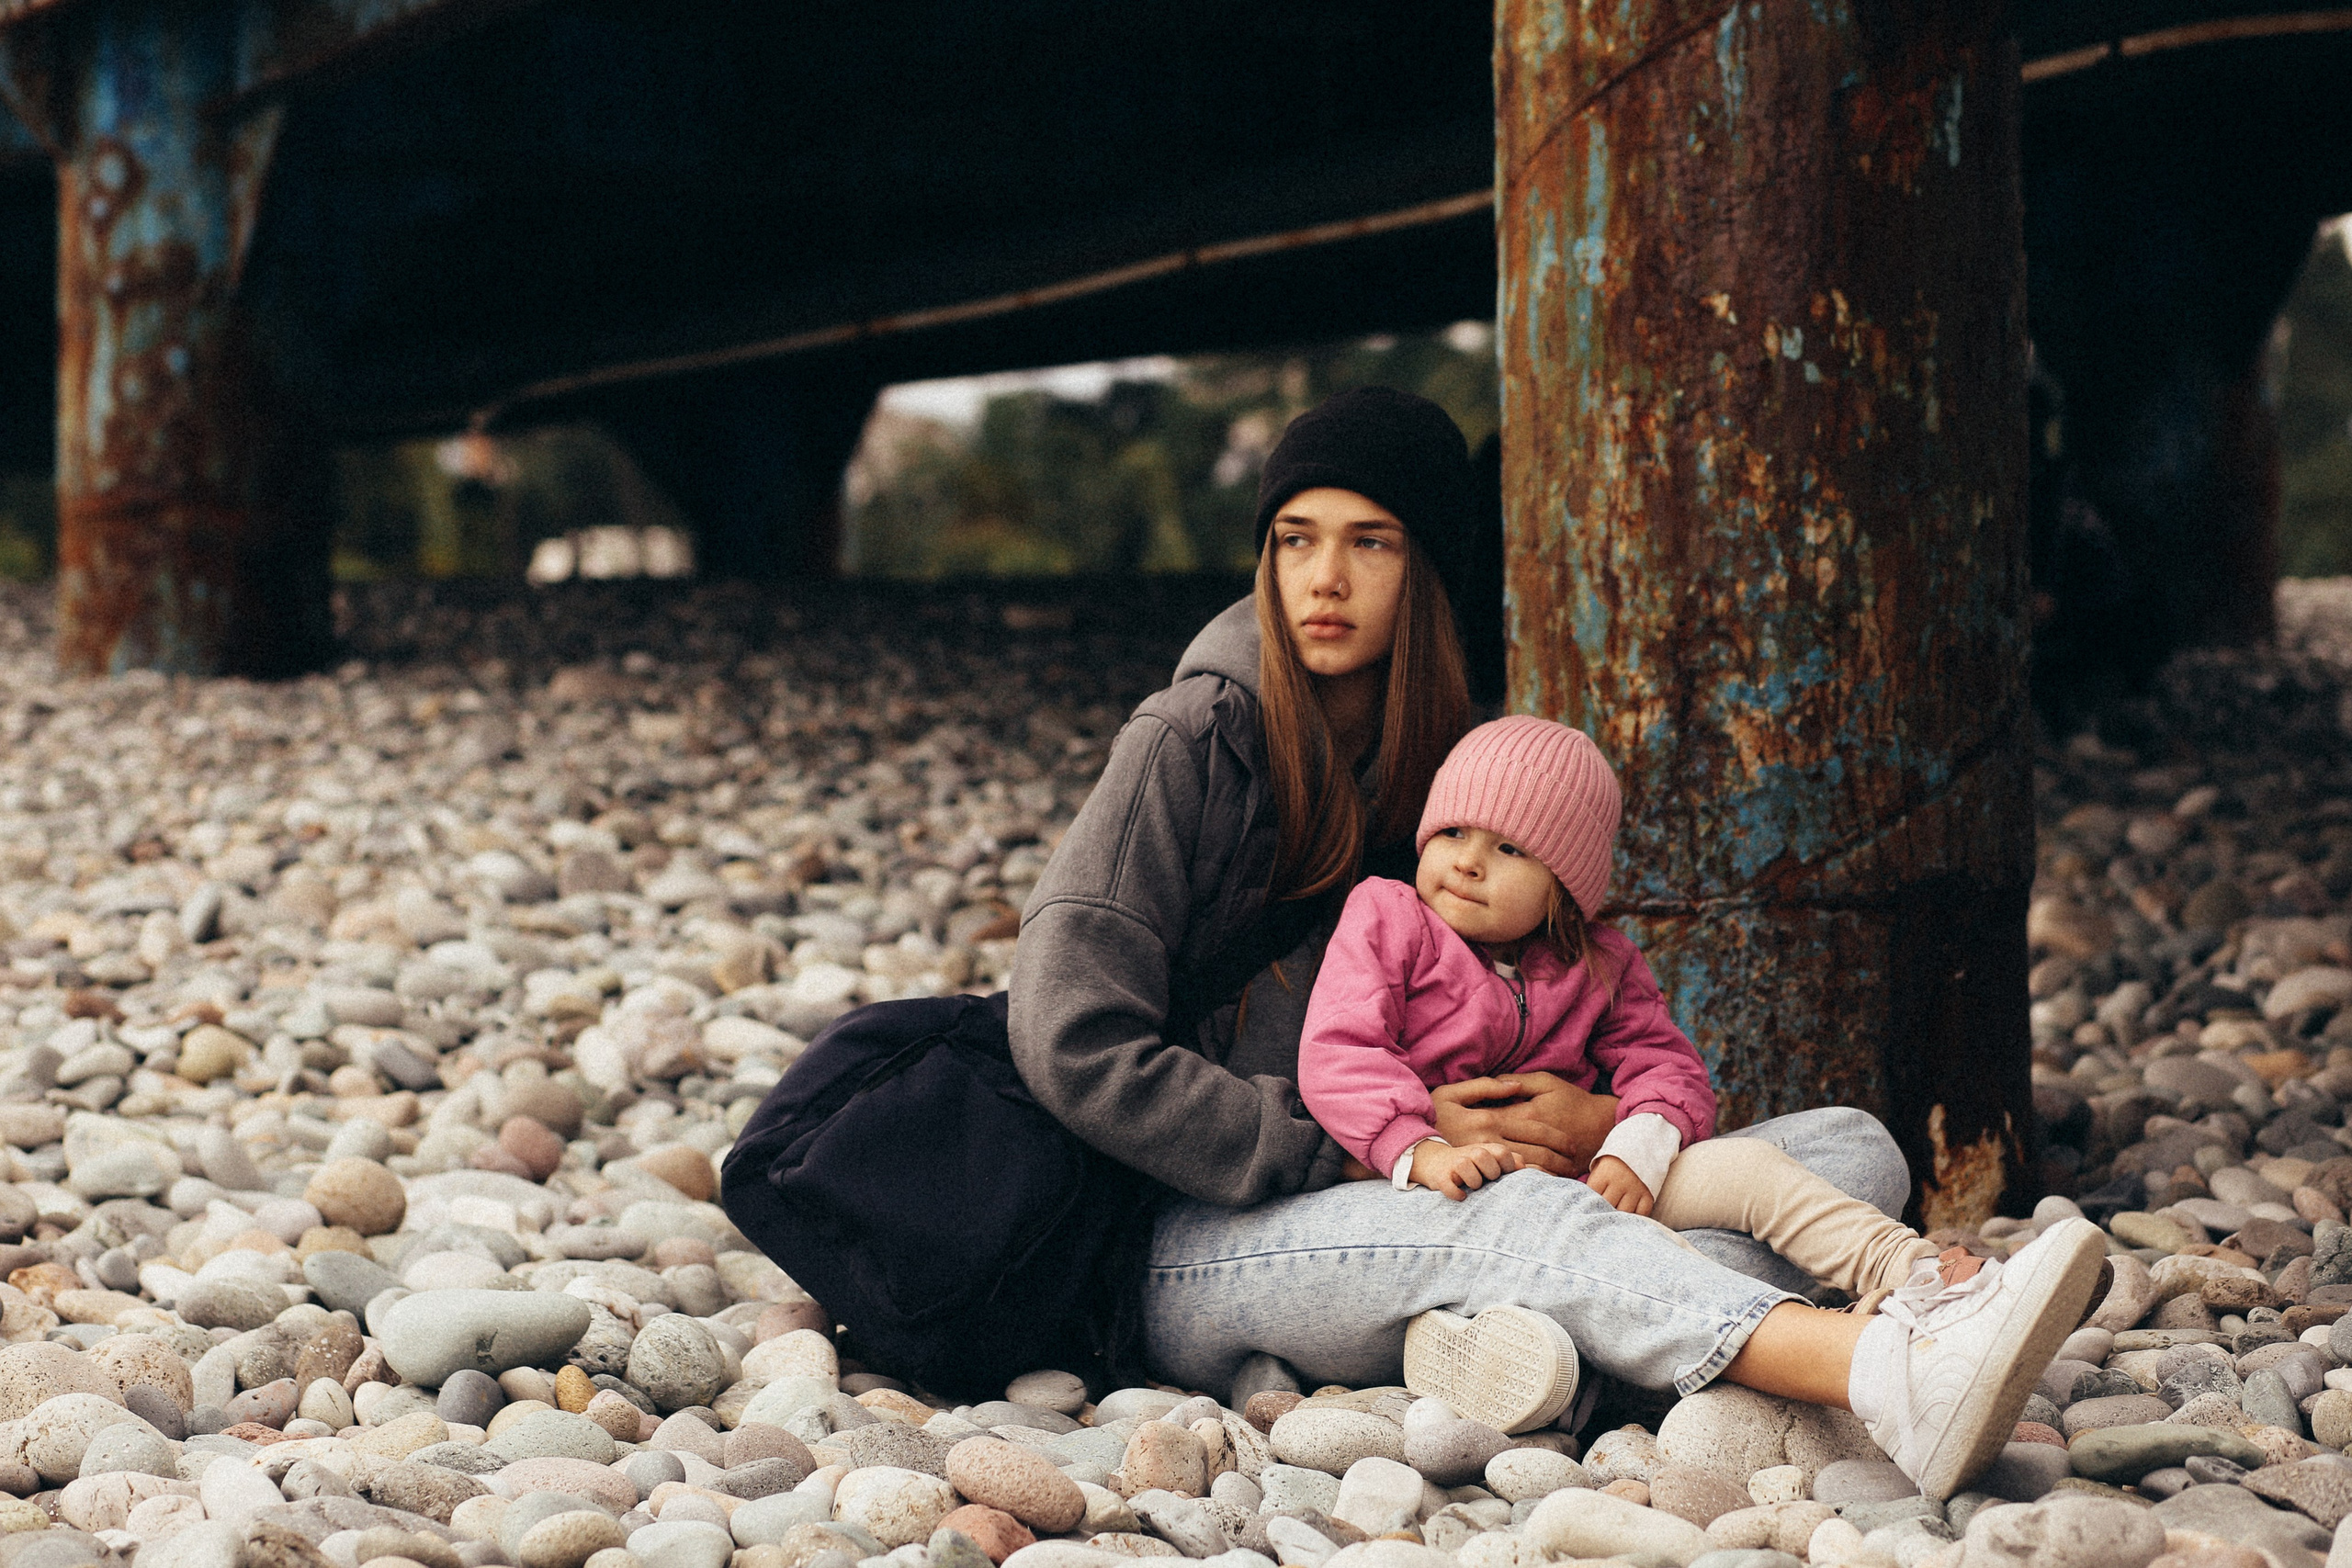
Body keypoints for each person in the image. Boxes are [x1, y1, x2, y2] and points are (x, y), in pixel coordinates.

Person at [1008, 386, 2102, 1503]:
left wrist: (1604, 1128)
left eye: (1368, 544)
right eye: (1294, 541)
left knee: (1847, 1146)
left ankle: (1520, 1361)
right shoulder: (1186, 746)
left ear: (1426, 572)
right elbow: (1068, 1035)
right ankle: (1884, 1368)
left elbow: (1607, 1041)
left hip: (1447, 1195)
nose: (1322, 579)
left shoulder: (1452, 772)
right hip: (1197, 1234)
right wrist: (1355, 1147)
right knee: (1523, 1218)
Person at [1297, 715, 1996, 1427]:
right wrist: (1418, 1148)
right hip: (1450, 1202)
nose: (1469, 861)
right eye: (1451, 833)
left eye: (1509, 847)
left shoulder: (1599, 962)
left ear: (1563, 884)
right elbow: (1340, 1049)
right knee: (1633, 1259)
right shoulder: (1387, 918)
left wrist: (1639, 1143)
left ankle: (1918, 1276)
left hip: (1586, 1186)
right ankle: (1821, 1350)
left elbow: (1670, 1066)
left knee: (1755, 1168)